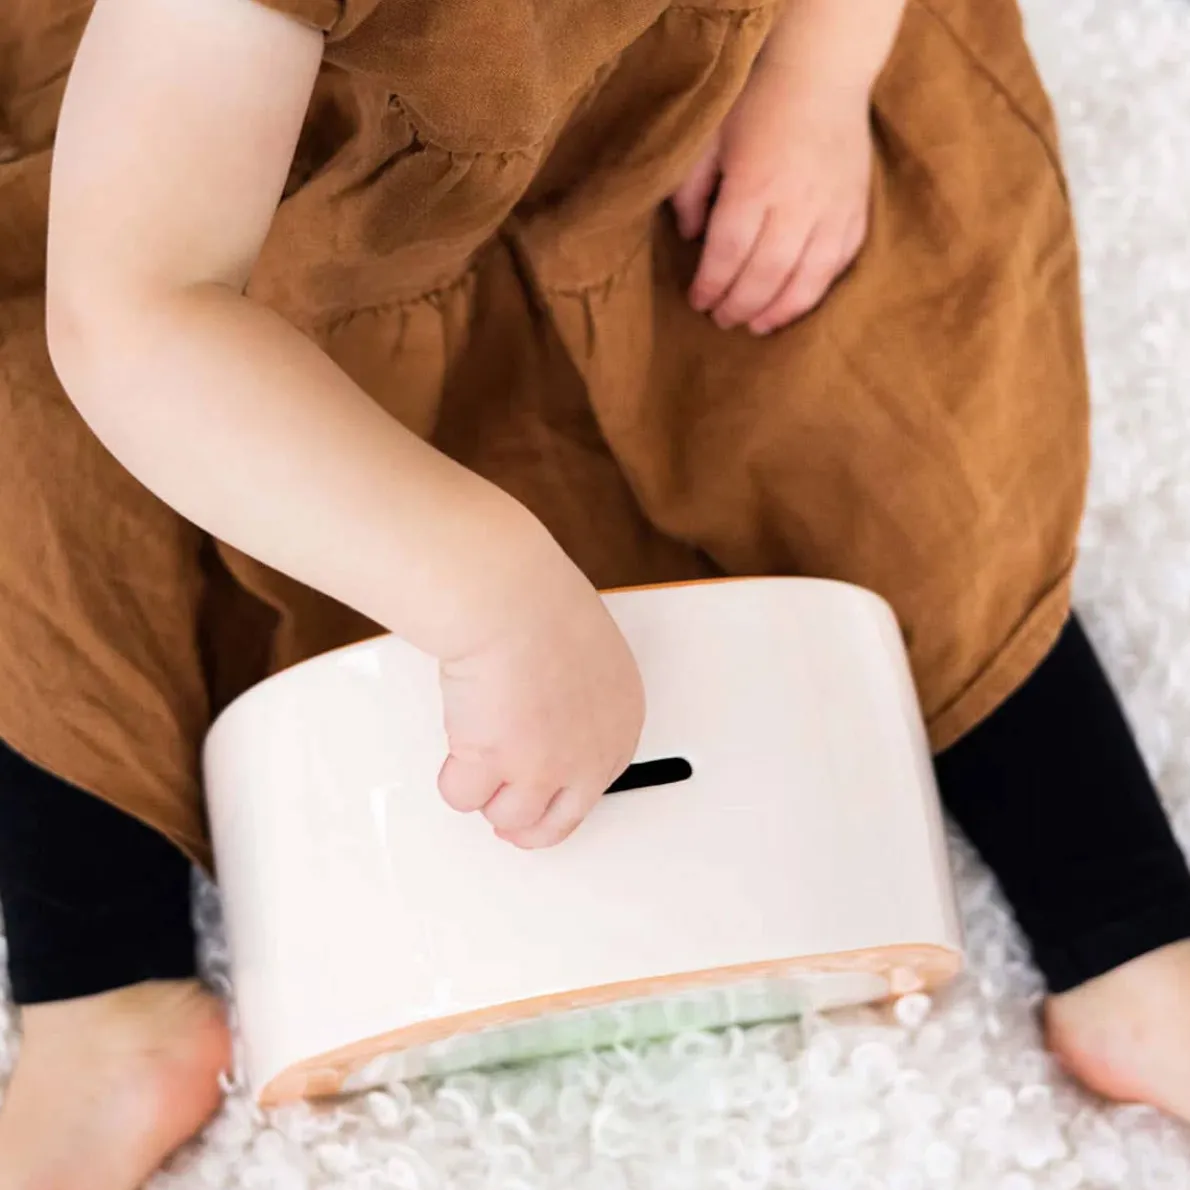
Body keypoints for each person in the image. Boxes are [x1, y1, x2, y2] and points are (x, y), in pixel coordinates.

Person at [1, 0, 1190, 1184]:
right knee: (50, 499)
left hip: (665, 105)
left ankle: (1120, 922)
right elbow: (134, 312)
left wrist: (813, 86)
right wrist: (486, 589)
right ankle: (98, 983)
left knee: (877, 397)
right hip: (227, 204)